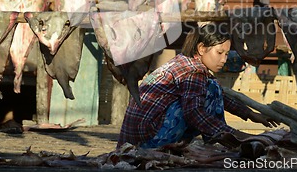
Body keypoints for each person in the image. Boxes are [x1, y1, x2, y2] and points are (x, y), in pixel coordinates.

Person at [117, 22, 277, 149]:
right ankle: (223, 140)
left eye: (227, 54)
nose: (224, 59)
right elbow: (193, 113)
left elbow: (220, 97)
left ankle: (222, 138)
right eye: (219, 53)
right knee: (210, 91)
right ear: (201, 48)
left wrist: (250, 114)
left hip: (132, 142)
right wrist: (236, 135)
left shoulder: (184, 62)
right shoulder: (193, 72)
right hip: (146, 143)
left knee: (212, 88)